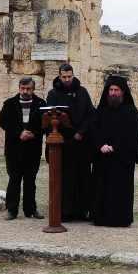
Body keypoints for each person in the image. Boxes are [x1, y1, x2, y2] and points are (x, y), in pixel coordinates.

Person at [90, 75, 138, 227]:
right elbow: (94, 130)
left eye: (116, 90)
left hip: (121, 159)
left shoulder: (131, 112)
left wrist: (115, 147)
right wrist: (101, 145)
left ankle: (120, 219)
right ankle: (100, 218)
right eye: (111, 90)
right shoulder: (101, 111)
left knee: (120, 191)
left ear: (123, 92)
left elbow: (132, 136)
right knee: (101, 189)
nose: (113, 93)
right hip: (102, 158)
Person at [45, 63, 96, 221]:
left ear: (73, 75)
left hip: (81, 144)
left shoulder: (82, 92)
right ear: (59, 76)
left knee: (83, 178)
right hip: (63, 144)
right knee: (65, 179)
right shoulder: (53, 94)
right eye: (64, 77)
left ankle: (82, 211)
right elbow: (49, 117)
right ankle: (65, 212)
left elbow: (90, 114)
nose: (67, 80)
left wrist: (81, 132)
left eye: (69, 76)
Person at [0, 77, 45, 220]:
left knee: (30, 180)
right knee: (14, 179)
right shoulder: (9, 104)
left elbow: (45, 123)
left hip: (33, 148)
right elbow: (4, 122)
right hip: (14, 149)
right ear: (19, 88)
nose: (25, 91)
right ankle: (12, 210)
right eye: (23, 88)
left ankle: (31, 209)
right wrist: (19, 133)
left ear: (33, 89)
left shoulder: (41, 104)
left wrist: (33, 133)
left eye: (28, 89)